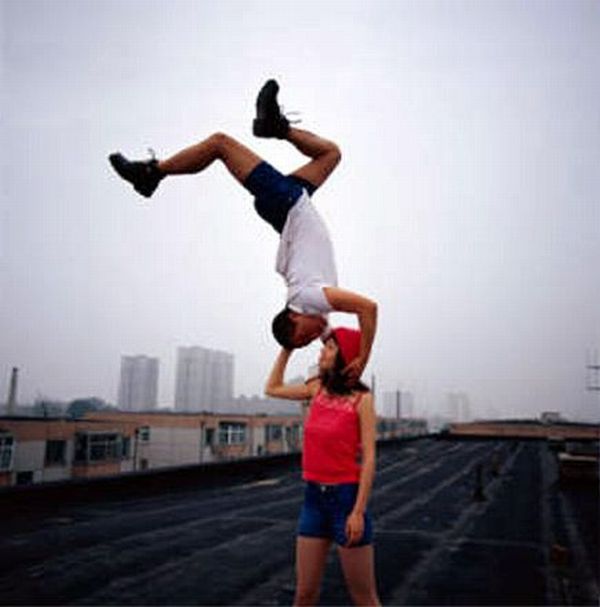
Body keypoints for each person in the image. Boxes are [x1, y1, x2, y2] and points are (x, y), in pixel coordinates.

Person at [108, 80, 377, 381]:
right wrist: (338, 369)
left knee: (220, 144)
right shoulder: (315, 313)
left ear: (294, 315)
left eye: (306, 336)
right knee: (331, 155)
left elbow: (368, 309)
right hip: (290, 209)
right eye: (310, 341)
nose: (317, 336)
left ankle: (151, 173)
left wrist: (362, 361)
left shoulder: (309, 298)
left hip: (286, 204)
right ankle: (275, 127)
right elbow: (330, 340)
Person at [265, 326, 381, 607]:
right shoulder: (316, 388)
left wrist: (358, 512)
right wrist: (288, 346)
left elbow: (369, 459)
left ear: (346, 356)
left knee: (364, 598)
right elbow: (272, 388)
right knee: (304, 595)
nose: (321, 353)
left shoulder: (362, 400)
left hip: (346, 500)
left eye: (329, 348)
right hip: (313, 500)